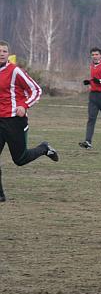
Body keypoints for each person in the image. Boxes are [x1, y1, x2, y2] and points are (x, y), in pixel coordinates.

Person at [0, 41, 59, 203]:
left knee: (20, 159)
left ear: (8, 54)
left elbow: (36, 90)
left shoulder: (15, 71)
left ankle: (44, 148)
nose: (2, 53)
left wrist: (24, 105)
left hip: (14, 121)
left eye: (4, 51)